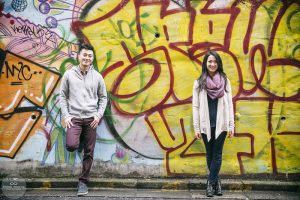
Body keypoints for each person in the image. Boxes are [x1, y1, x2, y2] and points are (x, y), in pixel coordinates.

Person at [60, 43, 107, 196]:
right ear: (78, 56)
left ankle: (83, 182)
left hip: (91, 119)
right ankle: (76, 138)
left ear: (92, 59)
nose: (87, 58)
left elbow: (103, 97)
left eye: (90, 56)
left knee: (89, 151)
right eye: (84, 55)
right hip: (74, 118)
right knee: (71, 145)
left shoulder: (98, 77)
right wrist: (66, 115)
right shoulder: (68, 75)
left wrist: (98, 115)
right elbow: (62, 96)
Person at [192, 50, 234, 197]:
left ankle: (210, 183)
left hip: (221, 124)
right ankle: (217, 182)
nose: (212, 64)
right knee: (209, 154)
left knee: (217, 154)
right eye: (209, 61)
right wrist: (196, 127)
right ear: (205, 63)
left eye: (215, 61)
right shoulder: (199, 83)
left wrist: (231, 125)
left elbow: (230, 105)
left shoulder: (225, 81)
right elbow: (195, 106)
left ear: (218, 64)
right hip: (205, 125)